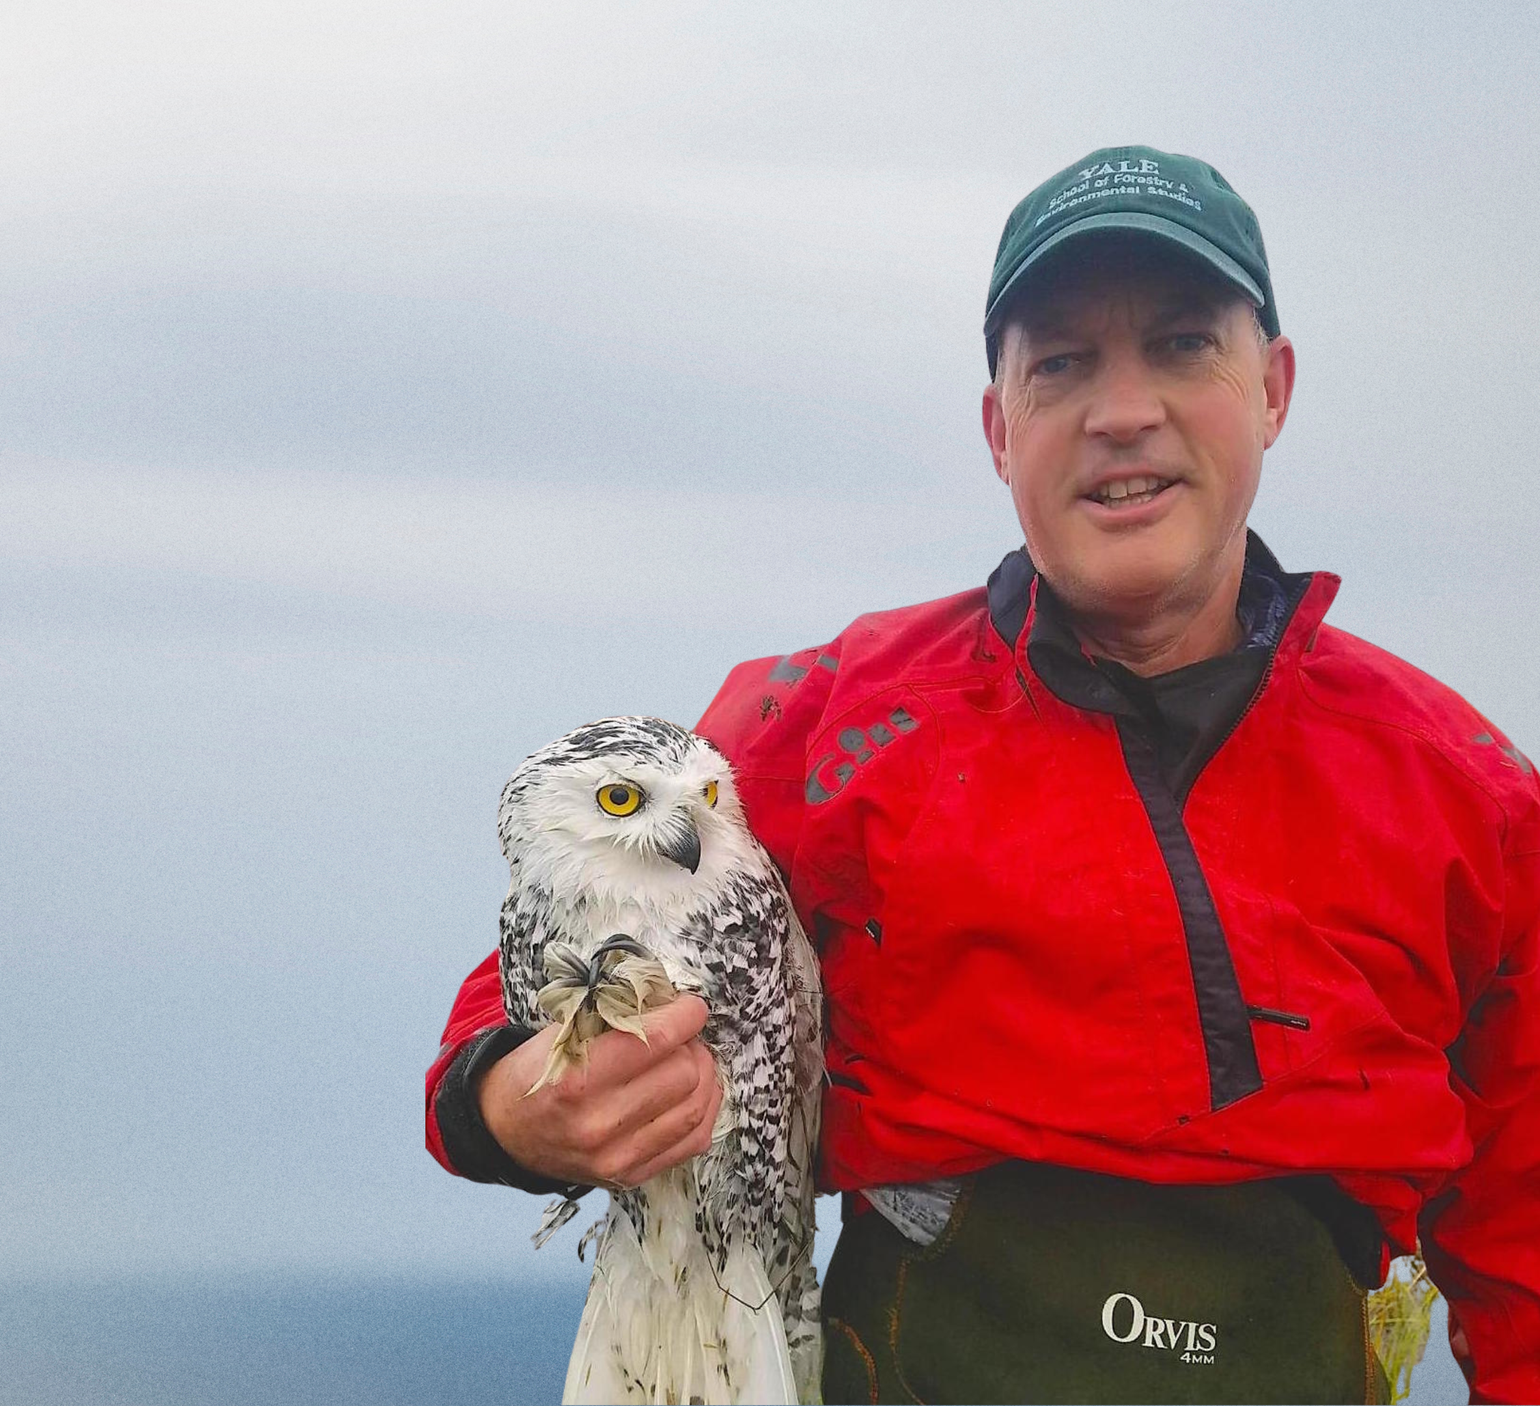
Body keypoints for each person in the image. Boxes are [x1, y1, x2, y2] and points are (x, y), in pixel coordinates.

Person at [425, 146, 1539, 1403]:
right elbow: (537, 976)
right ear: (999, 429)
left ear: (1272, 388)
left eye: (1182, 345)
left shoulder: (1468, 793)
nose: (1121, 410)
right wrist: (510, 1102)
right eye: (1059, 363)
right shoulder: (827, 725)